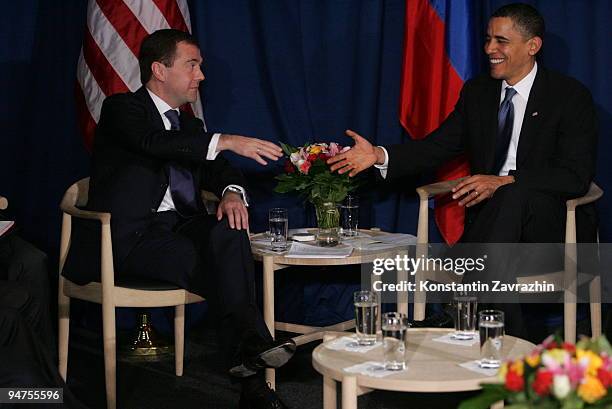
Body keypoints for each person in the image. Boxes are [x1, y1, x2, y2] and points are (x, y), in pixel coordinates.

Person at [328, 4, 598, 334]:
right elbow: (438, 146)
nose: (489, 50)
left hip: (550, 224)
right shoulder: (478, 92)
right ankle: (501, 340)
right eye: (487, 40)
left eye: (501, 41)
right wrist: (380, 155)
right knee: (498, 248)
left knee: (512, 193)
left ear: (532, 46)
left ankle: (464, 306)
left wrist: (505, 181)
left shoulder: (569, 96)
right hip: (493, 227)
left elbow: (574, 175)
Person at [62, 29, 292, 408]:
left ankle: (250, 352)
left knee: (231, 232)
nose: (200, 75)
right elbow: (154, 143)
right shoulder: (122, 110)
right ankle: (253, 373)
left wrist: (232, 192)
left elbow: (221, 170)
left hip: (180, 227)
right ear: (160, 70)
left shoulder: (191, 126)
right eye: (192, 65)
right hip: (131, 238)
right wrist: (229, 140)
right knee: (219, 269)